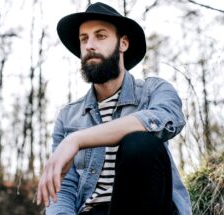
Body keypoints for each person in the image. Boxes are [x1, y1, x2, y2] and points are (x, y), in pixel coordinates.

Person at [37, 2, 191, 215]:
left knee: (140, 143)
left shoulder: (153, 91)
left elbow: (166, 119)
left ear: (123, 43)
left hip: (146, 207)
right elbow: (63, 190)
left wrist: (77, 139)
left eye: (100, 36)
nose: (89, 45)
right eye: (84, 39)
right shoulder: (68, 117)